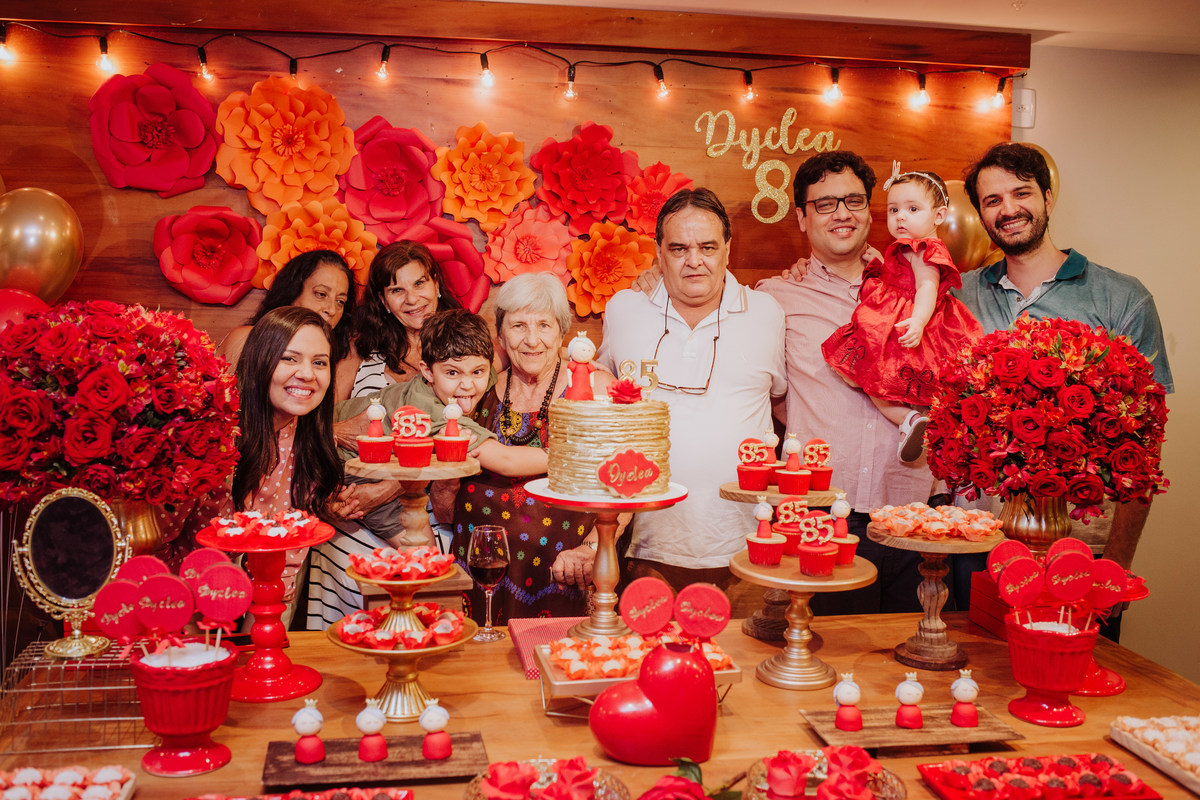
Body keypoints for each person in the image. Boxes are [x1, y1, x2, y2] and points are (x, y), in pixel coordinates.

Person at [951, 142, 1174, 636]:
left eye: (1021, 193)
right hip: (976, 544)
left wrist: (1117, 562)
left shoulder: (1121, 297)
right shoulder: (957, 295)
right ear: (981, 215)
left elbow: (1145, 442)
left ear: (1048, 198)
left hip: (1081, 551)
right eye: (992, 201)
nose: (1008, 209)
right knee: (975, 687)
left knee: (1073, 688)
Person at [308, 301, 602, 627]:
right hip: (339, 466)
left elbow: (492, 362)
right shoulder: (431, 410)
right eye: (452, 373)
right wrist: (573, 456)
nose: (467, 385)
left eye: (478, 372)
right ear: (425, 372)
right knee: (425, 560)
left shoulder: (463, 382)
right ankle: (407, 630)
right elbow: (503, 459)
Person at [756, 152, 931, 614]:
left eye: (853, 200)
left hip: (914, 511)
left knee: (914, 666)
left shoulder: (915, 292)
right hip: (820, 516)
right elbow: (769, 400)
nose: (842, 213)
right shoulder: (773, 300)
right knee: (831, 662)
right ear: (801, 217)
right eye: (826, 203)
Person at [598, 188, 786, 592]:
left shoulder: (767, 312)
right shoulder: (624, 308)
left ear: (728, 250)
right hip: (645, 545)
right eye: (679, 248)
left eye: (708, 247)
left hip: (750, 543)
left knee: (747, 655)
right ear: (659, 251)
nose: (694, 261)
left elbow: (785, 401)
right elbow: (596, 391)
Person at [169, 307, 352, 624]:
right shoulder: (210, 436)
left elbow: (289, 555)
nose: (307, 374)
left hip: (265, 599)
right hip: (181, 604)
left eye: (319, 362)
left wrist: (265, 628)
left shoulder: (312, 442)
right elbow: (158, 540)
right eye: (289, 359)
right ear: (259, 361)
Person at [449, 275, 615, 624]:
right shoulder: (480, 386)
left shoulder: (594, 388)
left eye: (543, 324)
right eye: (518, 325)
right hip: (478, 564)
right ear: (501, 334)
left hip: (563, 570)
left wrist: (592, 549)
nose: (531, 339)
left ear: (561, 333)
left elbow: (625, 483)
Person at [821, 162, 982, 463]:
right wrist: (882, 261)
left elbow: (926, 287)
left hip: (907, 319)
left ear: (939, 216)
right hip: (901, 312)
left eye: (912, 209)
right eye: (894, 210)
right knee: (872, 378)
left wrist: (919, 321)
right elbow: (904, 276)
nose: (901, 217)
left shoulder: (925, 249)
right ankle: (915, 423)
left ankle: (908, 421)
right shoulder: (910, 248)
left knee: (868, 377)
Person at [335, 240, 462, 403]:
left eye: (419, 283)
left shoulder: (466, 343)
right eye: (397, 290)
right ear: (383, 300)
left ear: (436, 285)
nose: (412, 299)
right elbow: (323, 420)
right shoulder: (360, 348)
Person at [218, 249, 356, 369]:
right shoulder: (247, 339)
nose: (331, 310)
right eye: (321, 294)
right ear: (292, 292)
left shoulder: (332, 357)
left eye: (340, 301)